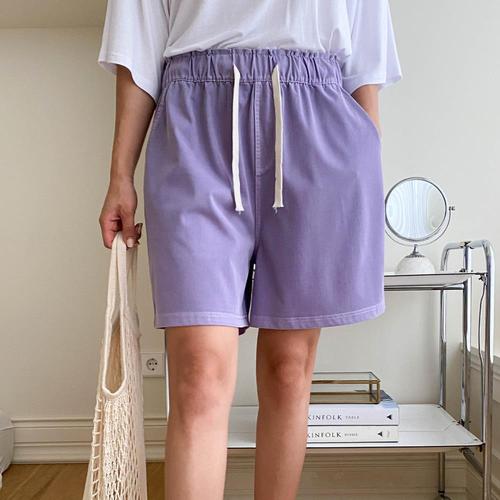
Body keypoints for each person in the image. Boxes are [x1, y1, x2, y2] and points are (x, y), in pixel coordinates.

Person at [97, 1, 402, 498]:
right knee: (197, 372)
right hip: (195, 123)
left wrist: (370, 166)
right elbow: (138, 45)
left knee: (289, 371)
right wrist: (119, 175)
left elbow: (365, 64)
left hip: (318, 124)